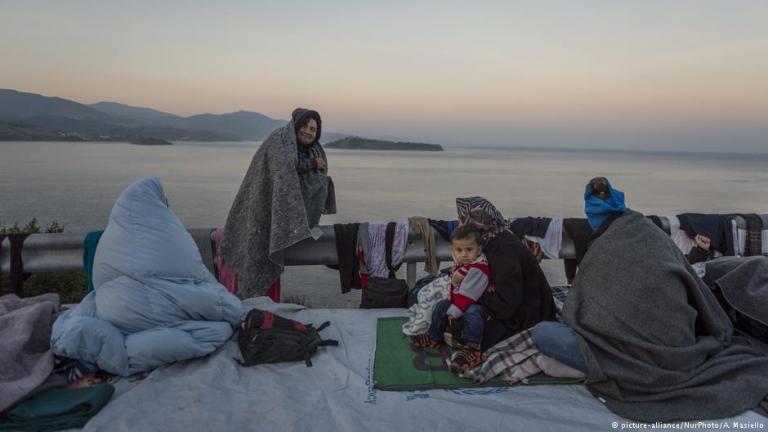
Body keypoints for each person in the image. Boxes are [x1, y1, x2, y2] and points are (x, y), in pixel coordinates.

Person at [531, 177, 768, 422]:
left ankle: (597, 369)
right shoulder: (651, 233)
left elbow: (580, 305)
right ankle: (597, 367)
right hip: (680, 352)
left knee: (543, 334)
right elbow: (691, 283)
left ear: (591, 216)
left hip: (637, 359)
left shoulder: (601, 250)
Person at [219, 108, 336, 299]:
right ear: (296, 124)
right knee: (255, 253)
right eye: (305, 126)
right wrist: (313, 164)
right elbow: (285, 168)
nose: (308, 131)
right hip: (260, 207)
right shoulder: (279, 140)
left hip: (276, 214)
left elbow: (299, 178)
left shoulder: (311, 151)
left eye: (313, 129)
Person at [455, 197, 557, 350]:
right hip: (528, 309)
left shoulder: (503, 250)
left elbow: (505, 306)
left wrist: (475, 291)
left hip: (528, 319)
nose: (459, 225)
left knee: (462, 325)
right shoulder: (497, 238)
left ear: (474, 222)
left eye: (462, 220)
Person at [410, 225, 491, 373]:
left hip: (474, 305)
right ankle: (434, 337)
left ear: (478, 249)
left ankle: (473, 347)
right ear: (453, 251)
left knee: (473, 312)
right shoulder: (462, 265)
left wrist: (453, 311)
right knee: (441, 305)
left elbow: (468, 296)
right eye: (459, 250)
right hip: (459, 304)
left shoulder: (479, 269)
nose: (464, 254)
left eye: (469, 249)